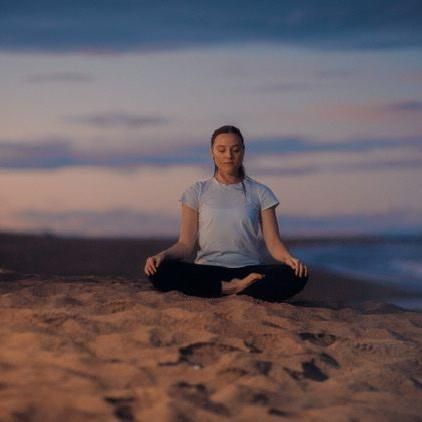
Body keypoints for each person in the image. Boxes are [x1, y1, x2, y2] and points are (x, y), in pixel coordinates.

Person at [144, 125, 309, 301]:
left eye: (235, 150)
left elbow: (273, 241)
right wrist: (162, 255)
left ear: (243, 152)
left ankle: (218, 290)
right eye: (221, 150)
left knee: (297, 274)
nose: (228, 156)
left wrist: (289, 258)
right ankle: (233, 288)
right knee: (160, 270)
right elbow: (185, 244)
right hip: (208, 270)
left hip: (249, 270)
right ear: (212, 152)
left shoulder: (260, 192)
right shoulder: (197, 191)